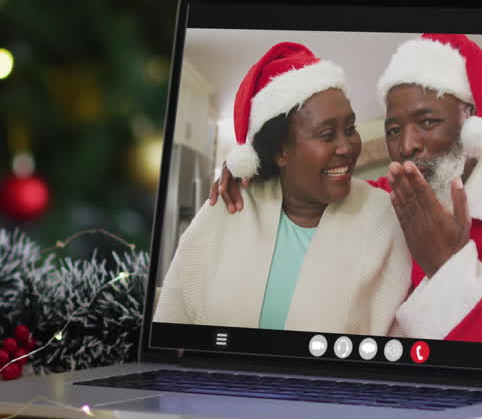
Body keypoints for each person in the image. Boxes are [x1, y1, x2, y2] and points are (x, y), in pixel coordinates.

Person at [212, 34, 482, 348]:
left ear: (474, 123)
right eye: (393, 129)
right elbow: (311, 194)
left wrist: (448, 267)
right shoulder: (386, 199)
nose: (407, 144)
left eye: (427, 121)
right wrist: (256, 172)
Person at [155, 42, 411, 334]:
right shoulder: (227, 211)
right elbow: (171, 325)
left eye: (350, 129)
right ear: (280, 152)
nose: (346, 147)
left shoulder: (383, 217)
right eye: (327, 135)